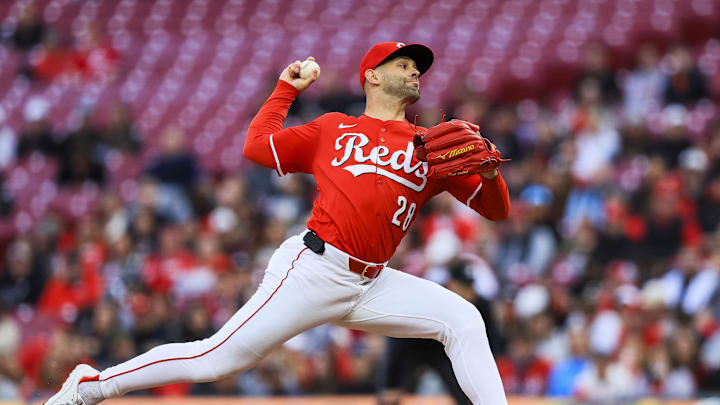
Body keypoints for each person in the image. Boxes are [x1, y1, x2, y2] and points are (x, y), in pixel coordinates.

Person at [45, 42, 510, 405]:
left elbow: (496, 210)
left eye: (417, 67)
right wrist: (286, 89)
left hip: (371, 283)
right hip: (315, 270)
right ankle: (92, 386)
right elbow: (257, 146)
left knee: (463, 319)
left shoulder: (430, 147)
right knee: (215, 359)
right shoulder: (334, 128)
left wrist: (489, 175)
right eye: (403, 63)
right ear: (371, 75)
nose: (414, 71)